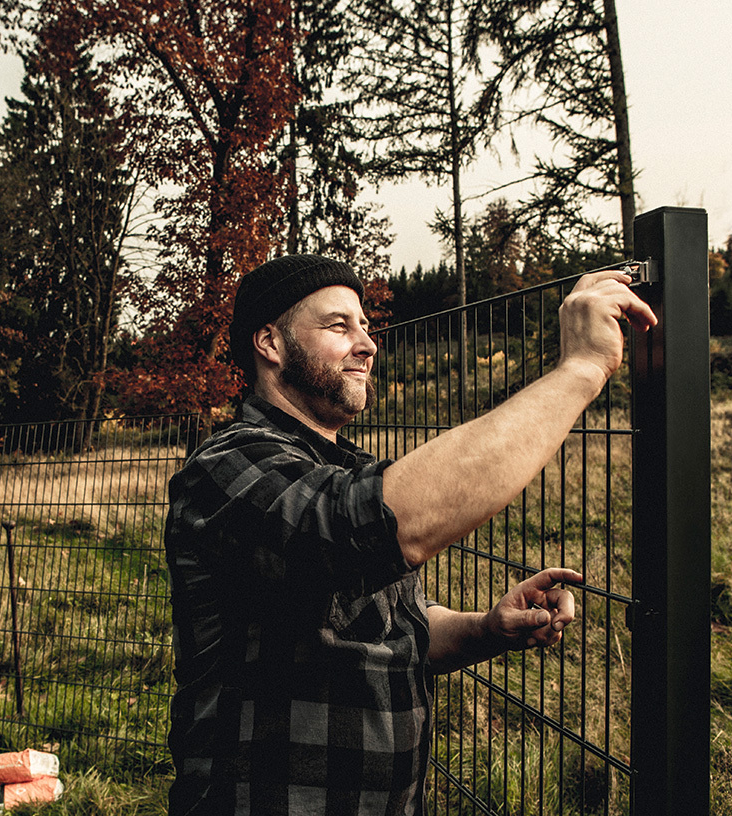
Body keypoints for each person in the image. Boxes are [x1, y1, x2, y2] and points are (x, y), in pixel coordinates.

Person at [163, 254, 657, 815]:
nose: (367, 344)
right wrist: (582, 369)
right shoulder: (226, 468)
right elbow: (364, 527)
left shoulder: (343, 469)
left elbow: (398, 630)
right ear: (270, 344)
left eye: (366, 325)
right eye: (337, 325)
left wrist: (488, 628)